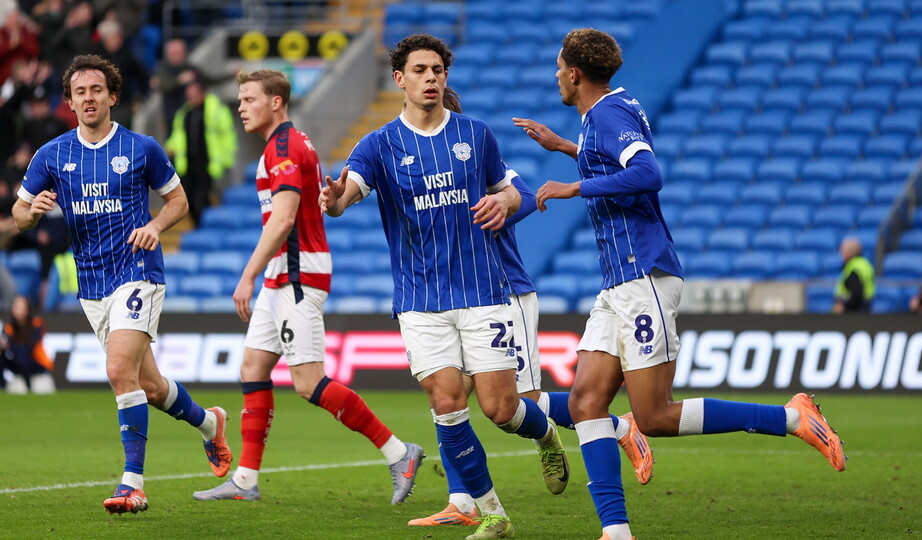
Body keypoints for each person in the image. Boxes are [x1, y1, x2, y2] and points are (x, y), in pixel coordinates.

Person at [515, 29, 846, 540]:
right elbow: (613, 164)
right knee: (585, 404)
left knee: (655, 415)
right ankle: (615, 530)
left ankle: (792, 417)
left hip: (643, 274)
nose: (556, 74)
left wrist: (574, 185)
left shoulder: (608, 114)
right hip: (618, 280)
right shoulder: (602, 115)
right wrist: (565, 148)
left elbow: (647, 173)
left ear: (575, 73)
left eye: (559, 67)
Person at [320, 34, 569, 540]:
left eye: (437, 70)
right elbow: (347, 195)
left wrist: (507, 205)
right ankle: (493, 514)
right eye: (419, 70)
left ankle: (547, 436)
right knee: (448, 404)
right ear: (400, 79)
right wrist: (333, 199)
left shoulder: (476, 135)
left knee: (502, 409)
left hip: (483, 290)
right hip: (420, 299)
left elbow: (512, 192)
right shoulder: (379, 144)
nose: (430, 78)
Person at [408, 90, 654, 530]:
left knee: (518, 401)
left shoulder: (479, 163)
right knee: (448, 401)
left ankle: (617, 427)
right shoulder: (423, 175)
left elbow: (521, 195)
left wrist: (498, 205)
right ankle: (462, 502)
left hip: (505, 294)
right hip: (455, 301)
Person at [13, 54, 233, 515]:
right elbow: (19, 214)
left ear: (112, 96)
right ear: (69, 103)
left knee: (118, 372)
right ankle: (210, 423)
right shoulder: (52, 155)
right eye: (80, 92)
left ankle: (133, 483)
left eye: (97, 90)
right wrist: (31, 215)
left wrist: (156, 225)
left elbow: (179, 201)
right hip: (93, 287)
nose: (89, 98)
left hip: (138, 271)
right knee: (148, 386)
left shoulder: (141, 148)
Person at [192, 68, 424, 505]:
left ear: (276, 102)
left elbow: (283, 219)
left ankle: (398, 453)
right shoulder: (287, 145)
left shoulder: (283, 147)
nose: (240, 106)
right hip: (283, 275)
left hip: (297, 275)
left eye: (248, 98)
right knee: (253, 370)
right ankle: (244, 480)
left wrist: (246, 275)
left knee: (307, 382)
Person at [164, 72, 237, 226]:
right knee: (188, 199)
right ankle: (201, 228)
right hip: (188, 164)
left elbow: (227, 136)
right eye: (188, 95)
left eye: (193, 94)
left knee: (203, 199)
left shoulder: (216, 110)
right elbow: (178, 135)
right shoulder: (184, 113)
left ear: (202, 93)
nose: (190, 98)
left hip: (208, 164)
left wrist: (227, 159)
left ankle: (209, 228)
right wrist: (170, 147)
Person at [1, 295, 55, 393]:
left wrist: (9, 345)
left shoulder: (36, 324)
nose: (19, 311)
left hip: (38, 372)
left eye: (22, 307)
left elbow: (27, 349)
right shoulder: (9, 328)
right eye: (17, 307)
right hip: (19, 375)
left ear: (28, 309)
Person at [833, 237, 875, 313]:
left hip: (854, 313)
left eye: (842, 250)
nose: (841, 253)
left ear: (849, 252)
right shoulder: (864, 263)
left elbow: (856, 295)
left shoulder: (854, 268)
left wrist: (843, 305)